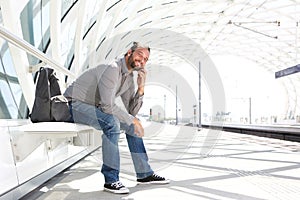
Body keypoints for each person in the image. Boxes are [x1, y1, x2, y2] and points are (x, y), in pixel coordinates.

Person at [64, 42, 169, 194]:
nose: (143, 60)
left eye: (146, 59)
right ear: (129, 53)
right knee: (112, 123)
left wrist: (141, 87)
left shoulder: (128, 79)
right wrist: (132, 119)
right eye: (140, 54)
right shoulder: (112, 68)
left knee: (131, 126)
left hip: (92, 108)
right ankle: (111, 179)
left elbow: (131, 111)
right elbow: (107, 106)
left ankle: (144, 174)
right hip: (72, 104)